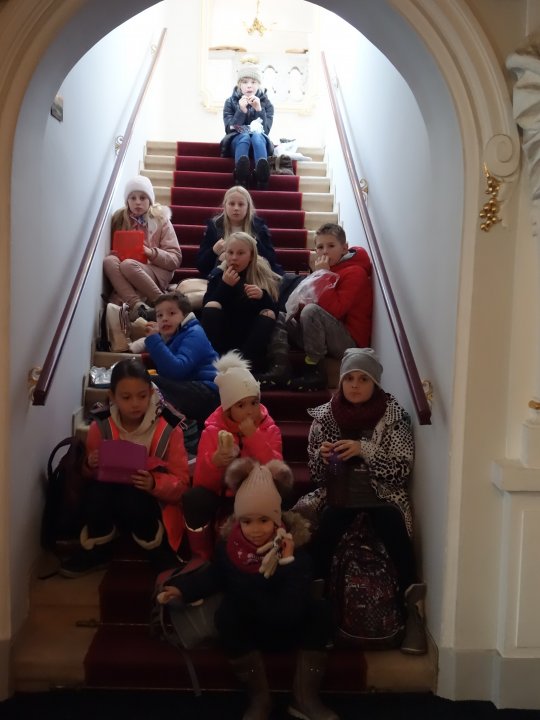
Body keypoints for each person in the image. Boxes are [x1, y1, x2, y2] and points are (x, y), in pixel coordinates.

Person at [157, 458, 338, 720]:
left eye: (264, 520)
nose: (255, 530)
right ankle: (259, 699)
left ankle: (305, 698)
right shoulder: (229, 548)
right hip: (251, 627)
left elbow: (295, 598)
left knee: (320, 611)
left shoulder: (296, 548)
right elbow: (215, 576)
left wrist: (287, 561)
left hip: (288, 622)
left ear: (276, 520)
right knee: (227, 615)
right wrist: (182, 589)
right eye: (247, 521)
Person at [293, 347, 427, 655]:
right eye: (349, 378)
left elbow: (400, 472)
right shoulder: (325, 417)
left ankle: (411, 613)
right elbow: (317, 476)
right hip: (338, 495)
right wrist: (322, 459)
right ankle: (319, 614)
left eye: (363, 379)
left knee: (393, 528)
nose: (355, 385)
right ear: (340, 382)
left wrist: (364, 450)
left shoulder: (394, 416)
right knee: (326, 527)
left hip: (382, 497)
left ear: (375, 383)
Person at [60, 358, 189, 578]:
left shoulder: (169, 427)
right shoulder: (101, 424)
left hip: (151, 504)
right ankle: (99, 546)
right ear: (112, 396)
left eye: (142, 396)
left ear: (150, 393)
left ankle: (156, 547)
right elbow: (88, 473)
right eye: (126, 397)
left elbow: (182, 483)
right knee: (96, 492)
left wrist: (154, 483)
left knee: (132, 496)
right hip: (110, 497)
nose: (135, 404)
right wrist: (90, 464)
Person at [180, 350, 282, 572]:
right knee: (194, 498)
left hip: (256, 493)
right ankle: (201, 557)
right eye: (241, 405)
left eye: (254, 403)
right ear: (228, 408)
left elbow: (276, 470)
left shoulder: (270, 429)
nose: (250, 411)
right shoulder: (212, 431)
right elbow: (202, 482)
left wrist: (254, 437)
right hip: (222, 493)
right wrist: (215, 461)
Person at [264, 223, 373, 391]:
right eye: (320, 247)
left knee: (311, 311)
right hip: (323, 335)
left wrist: (322, 275)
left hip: (348, 342)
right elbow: (315, 305)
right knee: (281, 316)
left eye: (331, 246)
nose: (325, 252)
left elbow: (335, 310)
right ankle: (280, 368)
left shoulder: (355, 272)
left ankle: (315, 370)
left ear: (344, 248)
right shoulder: (329, 269)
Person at [104, 175, 182, 321]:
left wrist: (150, 252)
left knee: (127, 265)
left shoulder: (161, 220)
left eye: (143, 197)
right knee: (109, 261)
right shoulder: (120, 219)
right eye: (132, 198)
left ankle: (162, 302)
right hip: (130, 267)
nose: (137, 202)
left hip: (157, 270)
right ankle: (138, 306)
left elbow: (175, 259)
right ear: (127, 201)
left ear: (150, 200)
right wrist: (118, 253)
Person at [200, 231, 280, 373]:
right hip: (223, 336)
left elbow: (275, 312)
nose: (234, 258)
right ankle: (214, 362)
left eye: (240, 253)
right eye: (230, 252)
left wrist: (262, 296)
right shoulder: (218, 276)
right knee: (212, 305)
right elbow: (206, 307)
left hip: (249, 341)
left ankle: (244, 367)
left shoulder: (261, 276)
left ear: (251, 256)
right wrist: (224, 286)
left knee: (268, 313)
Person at [140, 292, 220, 431]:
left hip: (208, 394)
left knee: (149, 382)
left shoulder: (194, 333)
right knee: (144, 380)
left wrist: (154, 340)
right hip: (191, 388)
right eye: (159, 315)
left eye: (171, 313)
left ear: (185, 315)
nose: (164, 318)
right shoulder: (173, 336)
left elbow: (176, 371)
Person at [197, 185, 283, 278]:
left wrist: (256, 245)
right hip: (222, 276)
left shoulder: (258, 227)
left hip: (254, 276)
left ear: (248, 207)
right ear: (225, 206)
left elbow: (271, 260)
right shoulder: (214, 227)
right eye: (232, 204)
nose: (236, 208)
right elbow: (201, 265)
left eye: (241, 204)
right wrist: (213, 252)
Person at [220, 65, 274, 190]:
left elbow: (265, 130)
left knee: (257, 136)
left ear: (259, 84)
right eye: (245, 82)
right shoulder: (230, 102)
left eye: (253, 82)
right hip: (238, 143)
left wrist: (259, 110)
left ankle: (261, 176)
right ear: (239, 85)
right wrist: (241, 111)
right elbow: (229, 129)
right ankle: (241, 175)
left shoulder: (267, 104)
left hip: (259, 143)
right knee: (244, 136)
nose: (249, 86)